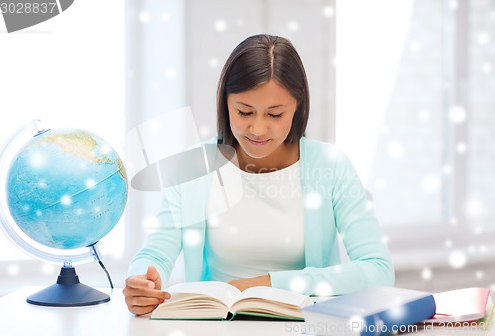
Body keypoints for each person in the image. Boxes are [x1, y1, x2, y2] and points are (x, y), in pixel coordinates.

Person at [123, 34, 394, 315]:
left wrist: (266, 284)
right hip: (213, 327)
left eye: (275, 115)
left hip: (304, 327)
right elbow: (156, 253)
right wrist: (142, 281)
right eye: (244, 112)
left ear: (298, 106)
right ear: (225, 103)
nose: (258, 129)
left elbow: (378, 270)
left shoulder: (330, 166)